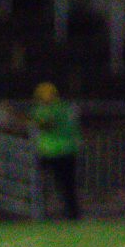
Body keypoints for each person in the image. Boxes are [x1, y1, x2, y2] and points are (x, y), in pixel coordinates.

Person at [31, 81, 81, 220]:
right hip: (57, 151)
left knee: (65, 186)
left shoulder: (57, 108)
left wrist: (19, 118)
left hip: (58, 151)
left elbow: (46, 124)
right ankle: (59, 213)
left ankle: (70, 214)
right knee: (55, 186)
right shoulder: (64, 107)